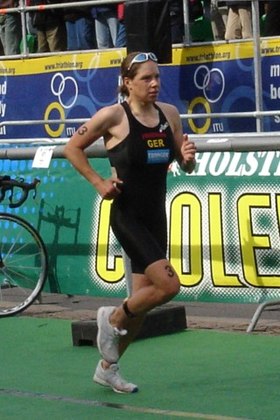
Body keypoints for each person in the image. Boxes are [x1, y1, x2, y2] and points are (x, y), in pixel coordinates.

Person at [64, 51, 196, 393]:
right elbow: (72, 148)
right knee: (168, 287)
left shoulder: (169, 115)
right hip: (127, 215)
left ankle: (108, 367)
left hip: (156, 216)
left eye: (157, 78)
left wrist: (187, 159)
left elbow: (184, 165)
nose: (154, 84)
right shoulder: (113, 116)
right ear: (127, 83)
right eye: (146, 79)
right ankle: (112, 318)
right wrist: (99, 183)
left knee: (144, 301)